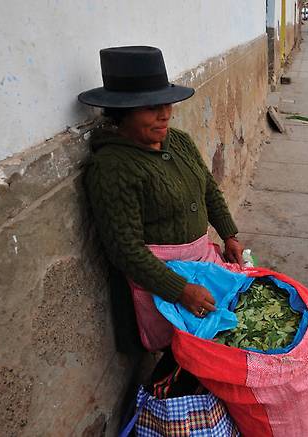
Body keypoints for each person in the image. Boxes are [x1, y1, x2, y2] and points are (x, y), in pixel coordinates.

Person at [78, 46, 244, 353]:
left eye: (166, 103)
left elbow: (207, 187)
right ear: (123, 112)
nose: (164, 113)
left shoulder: (178, 141)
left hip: (200, 263)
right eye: (150, 107)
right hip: (161, 282)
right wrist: (180, 291)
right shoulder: (113, 167)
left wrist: (229, 234)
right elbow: (124, 250)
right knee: (185, 350)